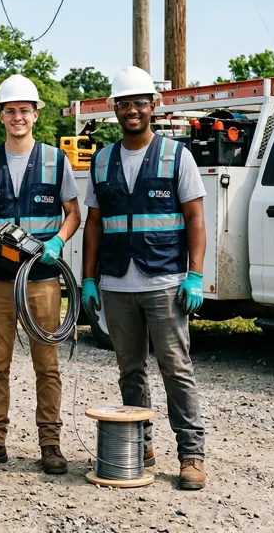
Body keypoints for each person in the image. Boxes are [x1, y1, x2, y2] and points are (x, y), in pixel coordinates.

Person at [80, 65, 209, 491]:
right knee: (129, 370)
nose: (131, 110)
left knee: (176, 367)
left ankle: (191, 453)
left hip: (165, 282)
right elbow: (93, 225)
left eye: (139, 102)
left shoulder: (177, 156)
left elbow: (195, 220)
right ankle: (141, 446)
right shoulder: (101, 161)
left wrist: (195, 275)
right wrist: (89, 279)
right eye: (124, 103)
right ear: (113, 109)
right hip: (117, 284)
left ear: (154, 106)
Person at [0, 74, 80, 475]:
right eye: (10, 110)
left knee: (47, 364)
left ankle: (50, 445)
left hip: (42, 278)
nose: (17, 117)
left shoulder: (55, 160)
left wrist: (58, 243)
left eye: (24, 110)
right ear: (1, 115)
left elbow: (73, 213)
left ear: (35, 114)